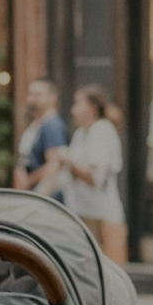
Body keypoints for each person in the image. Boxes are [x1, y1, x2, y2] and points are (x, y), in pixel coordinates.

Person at [51, 84, 129, 260]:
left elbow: (94, 179)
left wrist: (68, 161)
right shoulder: (81, 133)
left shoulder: (102, 130)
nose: (73, 110)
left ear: (92, 108)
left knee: (107, 275)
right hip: (83, 213)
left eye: (77, 104)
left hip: (101, 217)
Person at [10, 79, 69, 194]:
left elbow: (55, 164)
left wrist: (29, 181)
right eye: (30, 94)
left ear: (52, 98)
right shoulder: (37, 124)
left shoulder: (52, 125)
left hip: (45, 197)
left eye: (38, 95)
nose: (32, 99)